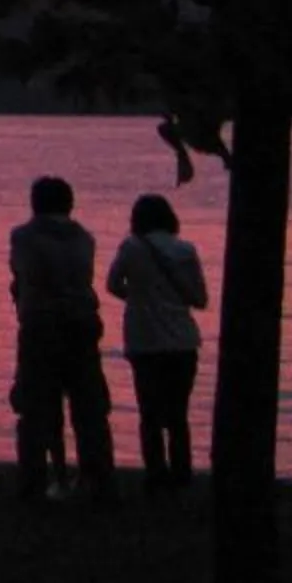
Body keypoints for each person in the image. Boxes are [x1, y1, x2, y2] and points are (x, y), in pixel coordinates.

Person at [8, 175, 117, 503]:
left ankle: (34, 480)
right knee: (89, 406)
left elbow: (23, 275)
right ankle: (96, 477)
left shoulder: (24, 237)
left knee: (35, 405)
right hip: (82, 323)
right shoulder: (84, 238)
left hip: (41, 324)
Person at [106, 193, 208, 491]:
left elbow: (113, 284)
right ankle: (182, 475)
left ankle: (155, 475)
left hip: (144, 341)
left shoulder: (131, 248)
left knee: (149, 413)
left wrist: (138, 299)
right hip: (182, 341)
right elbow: (200, 299)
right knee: (178, 415)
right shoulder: (186, 250)